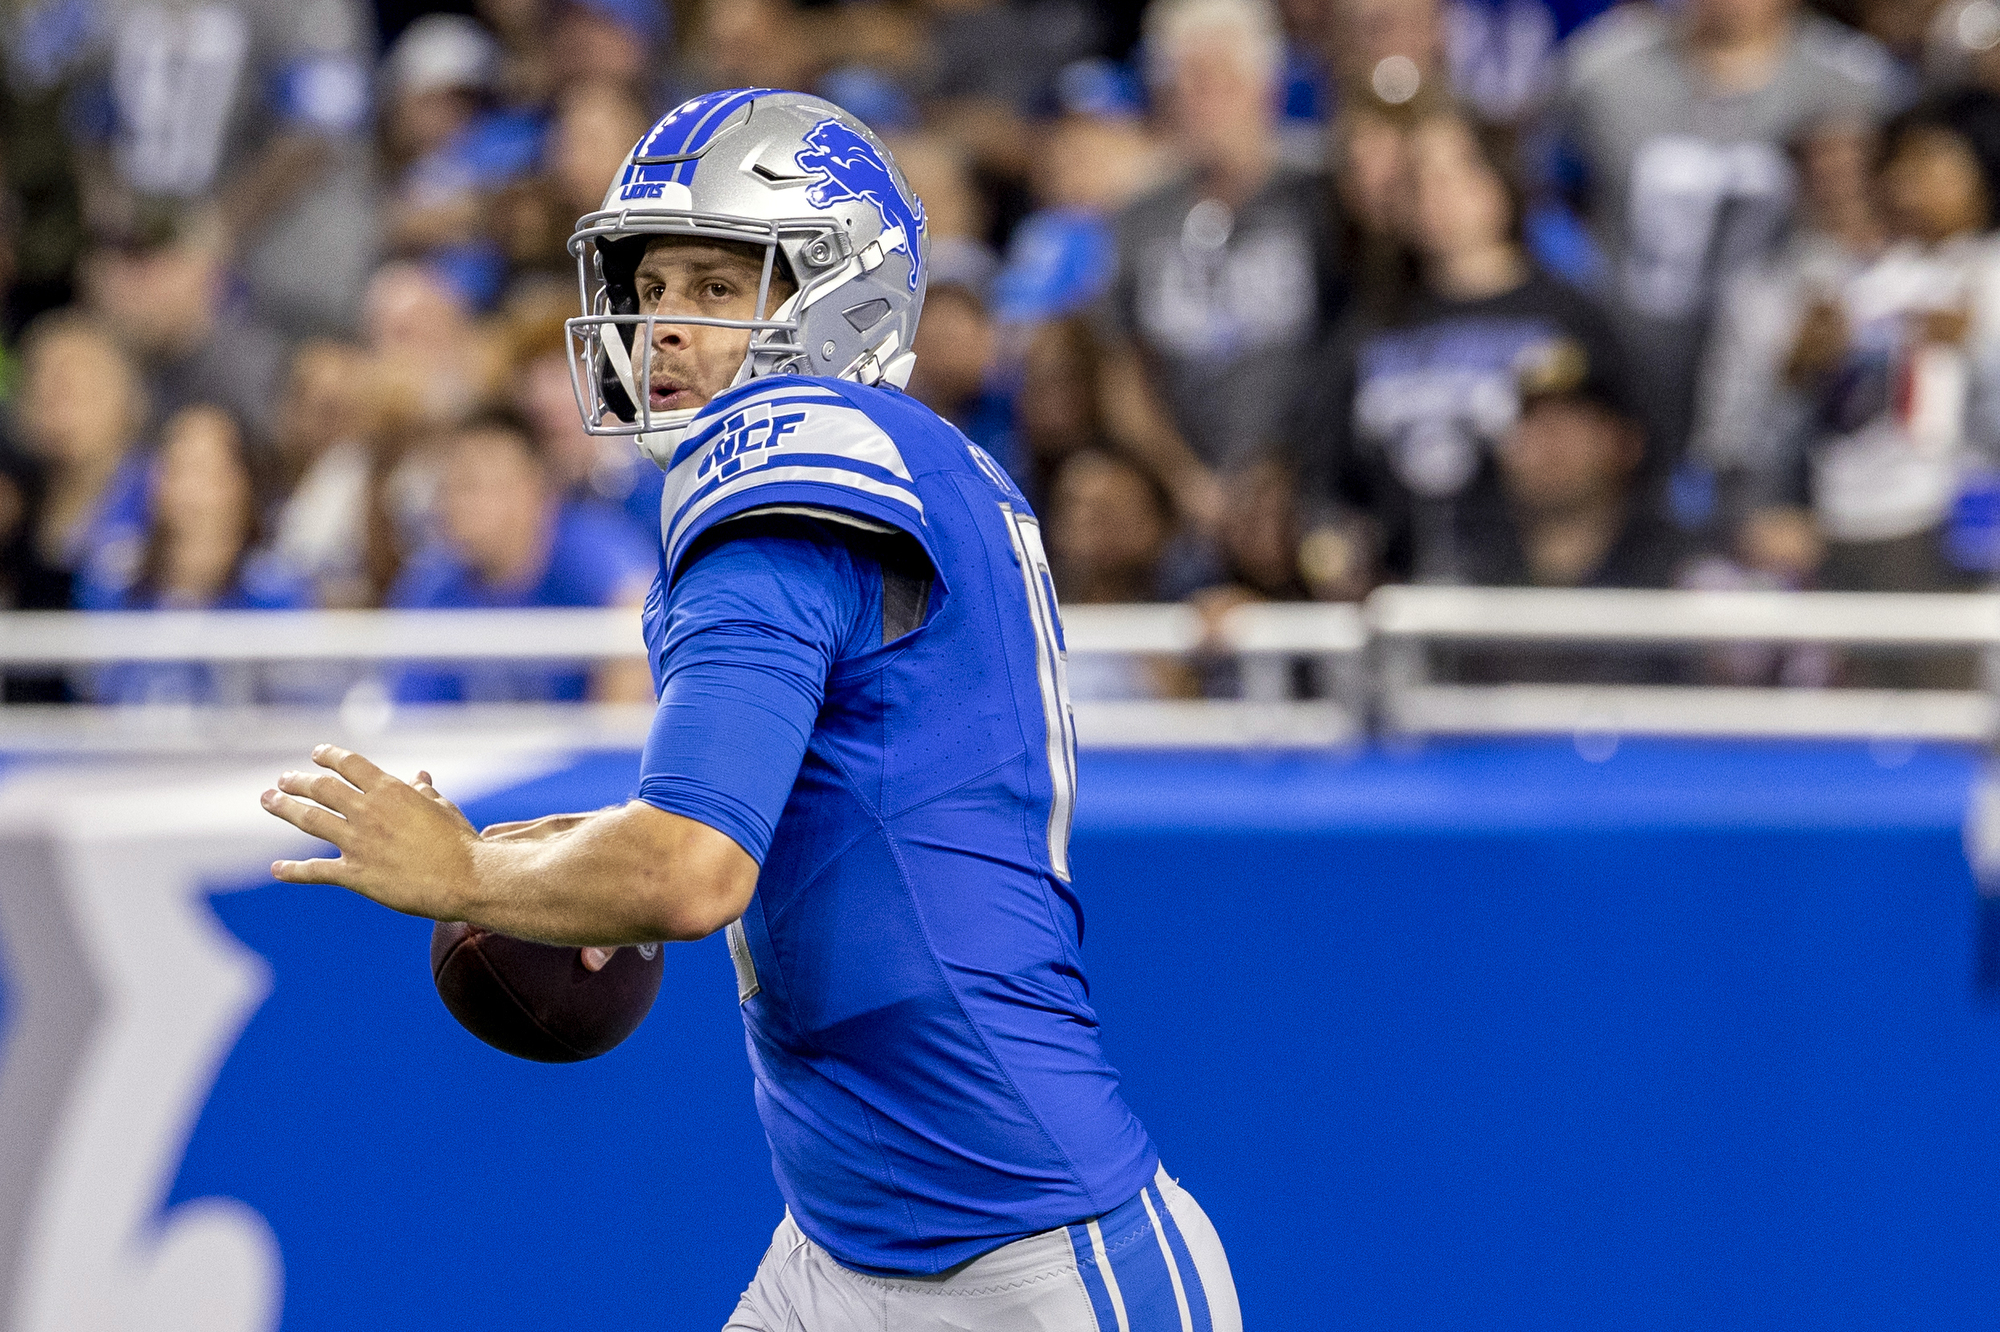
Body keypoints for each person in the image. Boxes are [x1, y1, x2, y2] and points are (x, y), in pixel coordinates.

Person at [259, 89, 1238, 1329]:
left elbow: (688, 874)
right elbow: (822, 806)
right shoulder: (909, 459)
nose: (664, 326)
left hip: (1021, 1254)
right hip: (846, 1241)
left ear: (843, 296)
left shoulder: (784, 475)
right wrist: (575, 855)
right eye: (653, 284)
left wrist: (461, 873)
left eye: (720, 289)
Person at [1550, 0, 1899, 468]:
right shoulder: (1601, 70)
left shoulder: (1857, 80)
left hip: (1786, 378)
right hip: (1633, 362)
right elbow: (1544, 191)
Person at [1295, 106, 1628, 586]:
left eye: (1456, 174)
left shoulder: (1568, 318)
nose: (1437, 197)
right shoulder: (1372, 326)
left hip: (1535, 595)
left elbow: (1629, 452)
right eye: (1419, 182)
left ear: (1500, 181)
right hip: (1402, 593)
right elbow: (1326, 474)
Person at [386, 411, 655, 704]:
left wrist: (601, 736)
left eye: (473, 485)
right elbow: (409, 716)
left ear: (534, 489)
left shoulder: (592, 550)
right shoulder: (433, 585)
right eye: (447, 487)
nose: (454, 503)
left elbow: (638, 615)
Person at [90, 404, 313, 705]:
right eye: (174, 469)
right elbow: (91, 696)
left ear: (240, 483)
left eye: (202, 470)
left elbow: (293, 704)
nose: (186, 489)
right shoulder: (112, 581)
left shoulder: (275, 588)